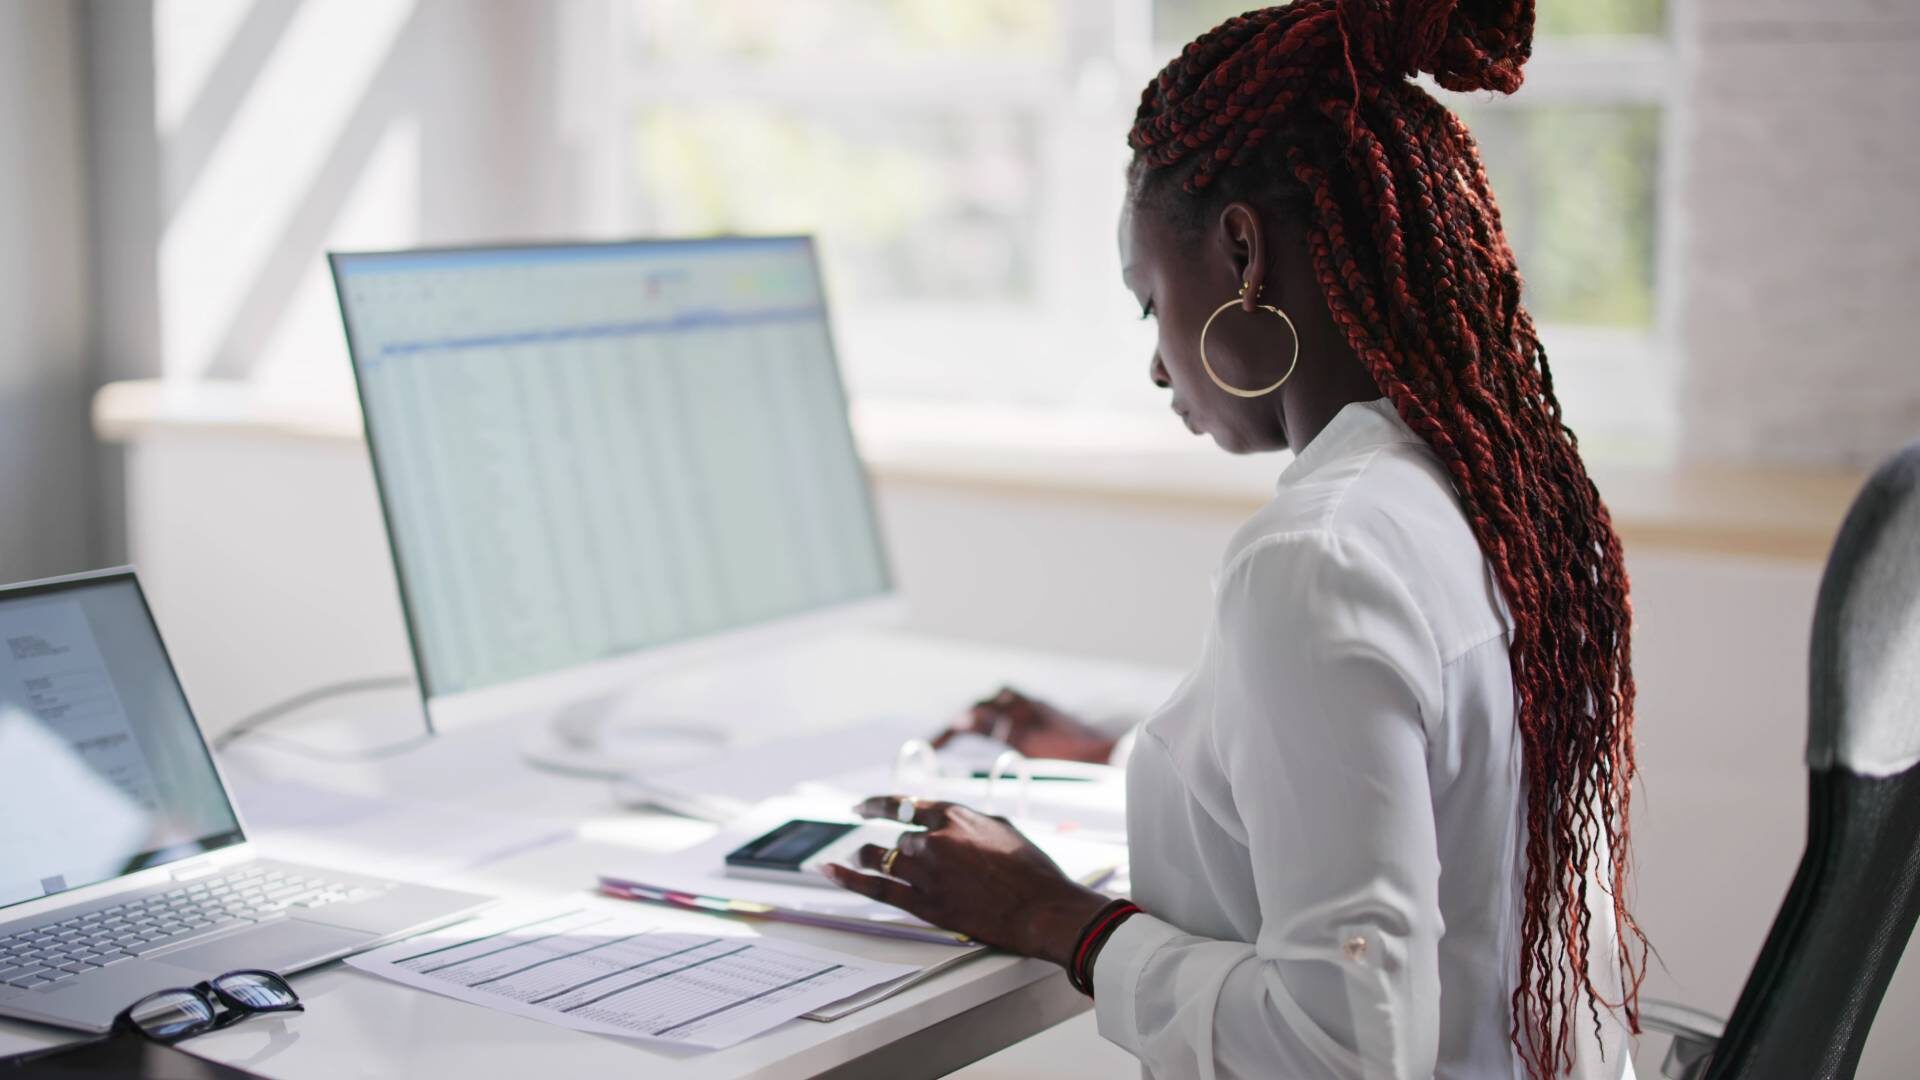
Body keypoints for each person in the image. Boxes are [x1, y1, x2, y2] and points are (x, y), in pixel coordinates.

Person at [825, 1, 1646, 1076]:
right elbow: (1426, 806)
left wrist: (1052, 919)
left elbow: (1342, 1048)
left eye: (1148, 299)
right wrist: (1148, 757)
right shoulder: (1513, 496)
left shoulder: (1320, 554)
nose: (1160, 365)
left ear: (1242, 252)